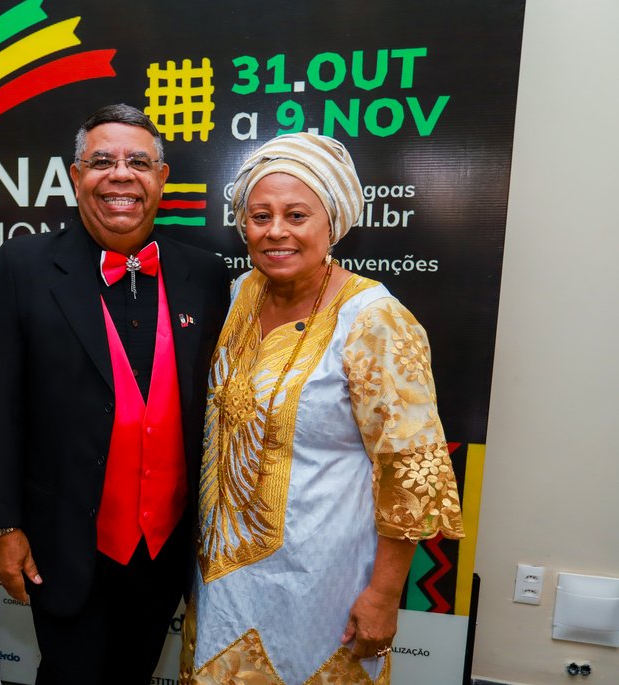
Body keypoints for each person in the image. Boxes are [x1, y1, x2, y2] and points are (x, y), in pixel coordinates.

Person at [180, 132, 465, 684]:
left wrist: (383, 595)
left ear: (332, 222)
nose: (276, 231)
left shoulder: (374, 319)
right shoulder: (238, 295)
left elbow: (410, 474)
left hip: (324, 585)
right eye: (260, 215)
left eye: (296, 214)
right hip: (223, 580)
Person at [0, 103, 230, 684]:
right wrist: (4, 527)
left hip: (165, 547)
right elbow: (1, 409)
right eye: (102, 161)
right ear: (75, 176)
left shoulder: (206, 274)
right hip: (64, 543)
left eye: (138, 162)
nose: (121, 175)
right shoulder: (25, 266)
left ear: (161, 179)